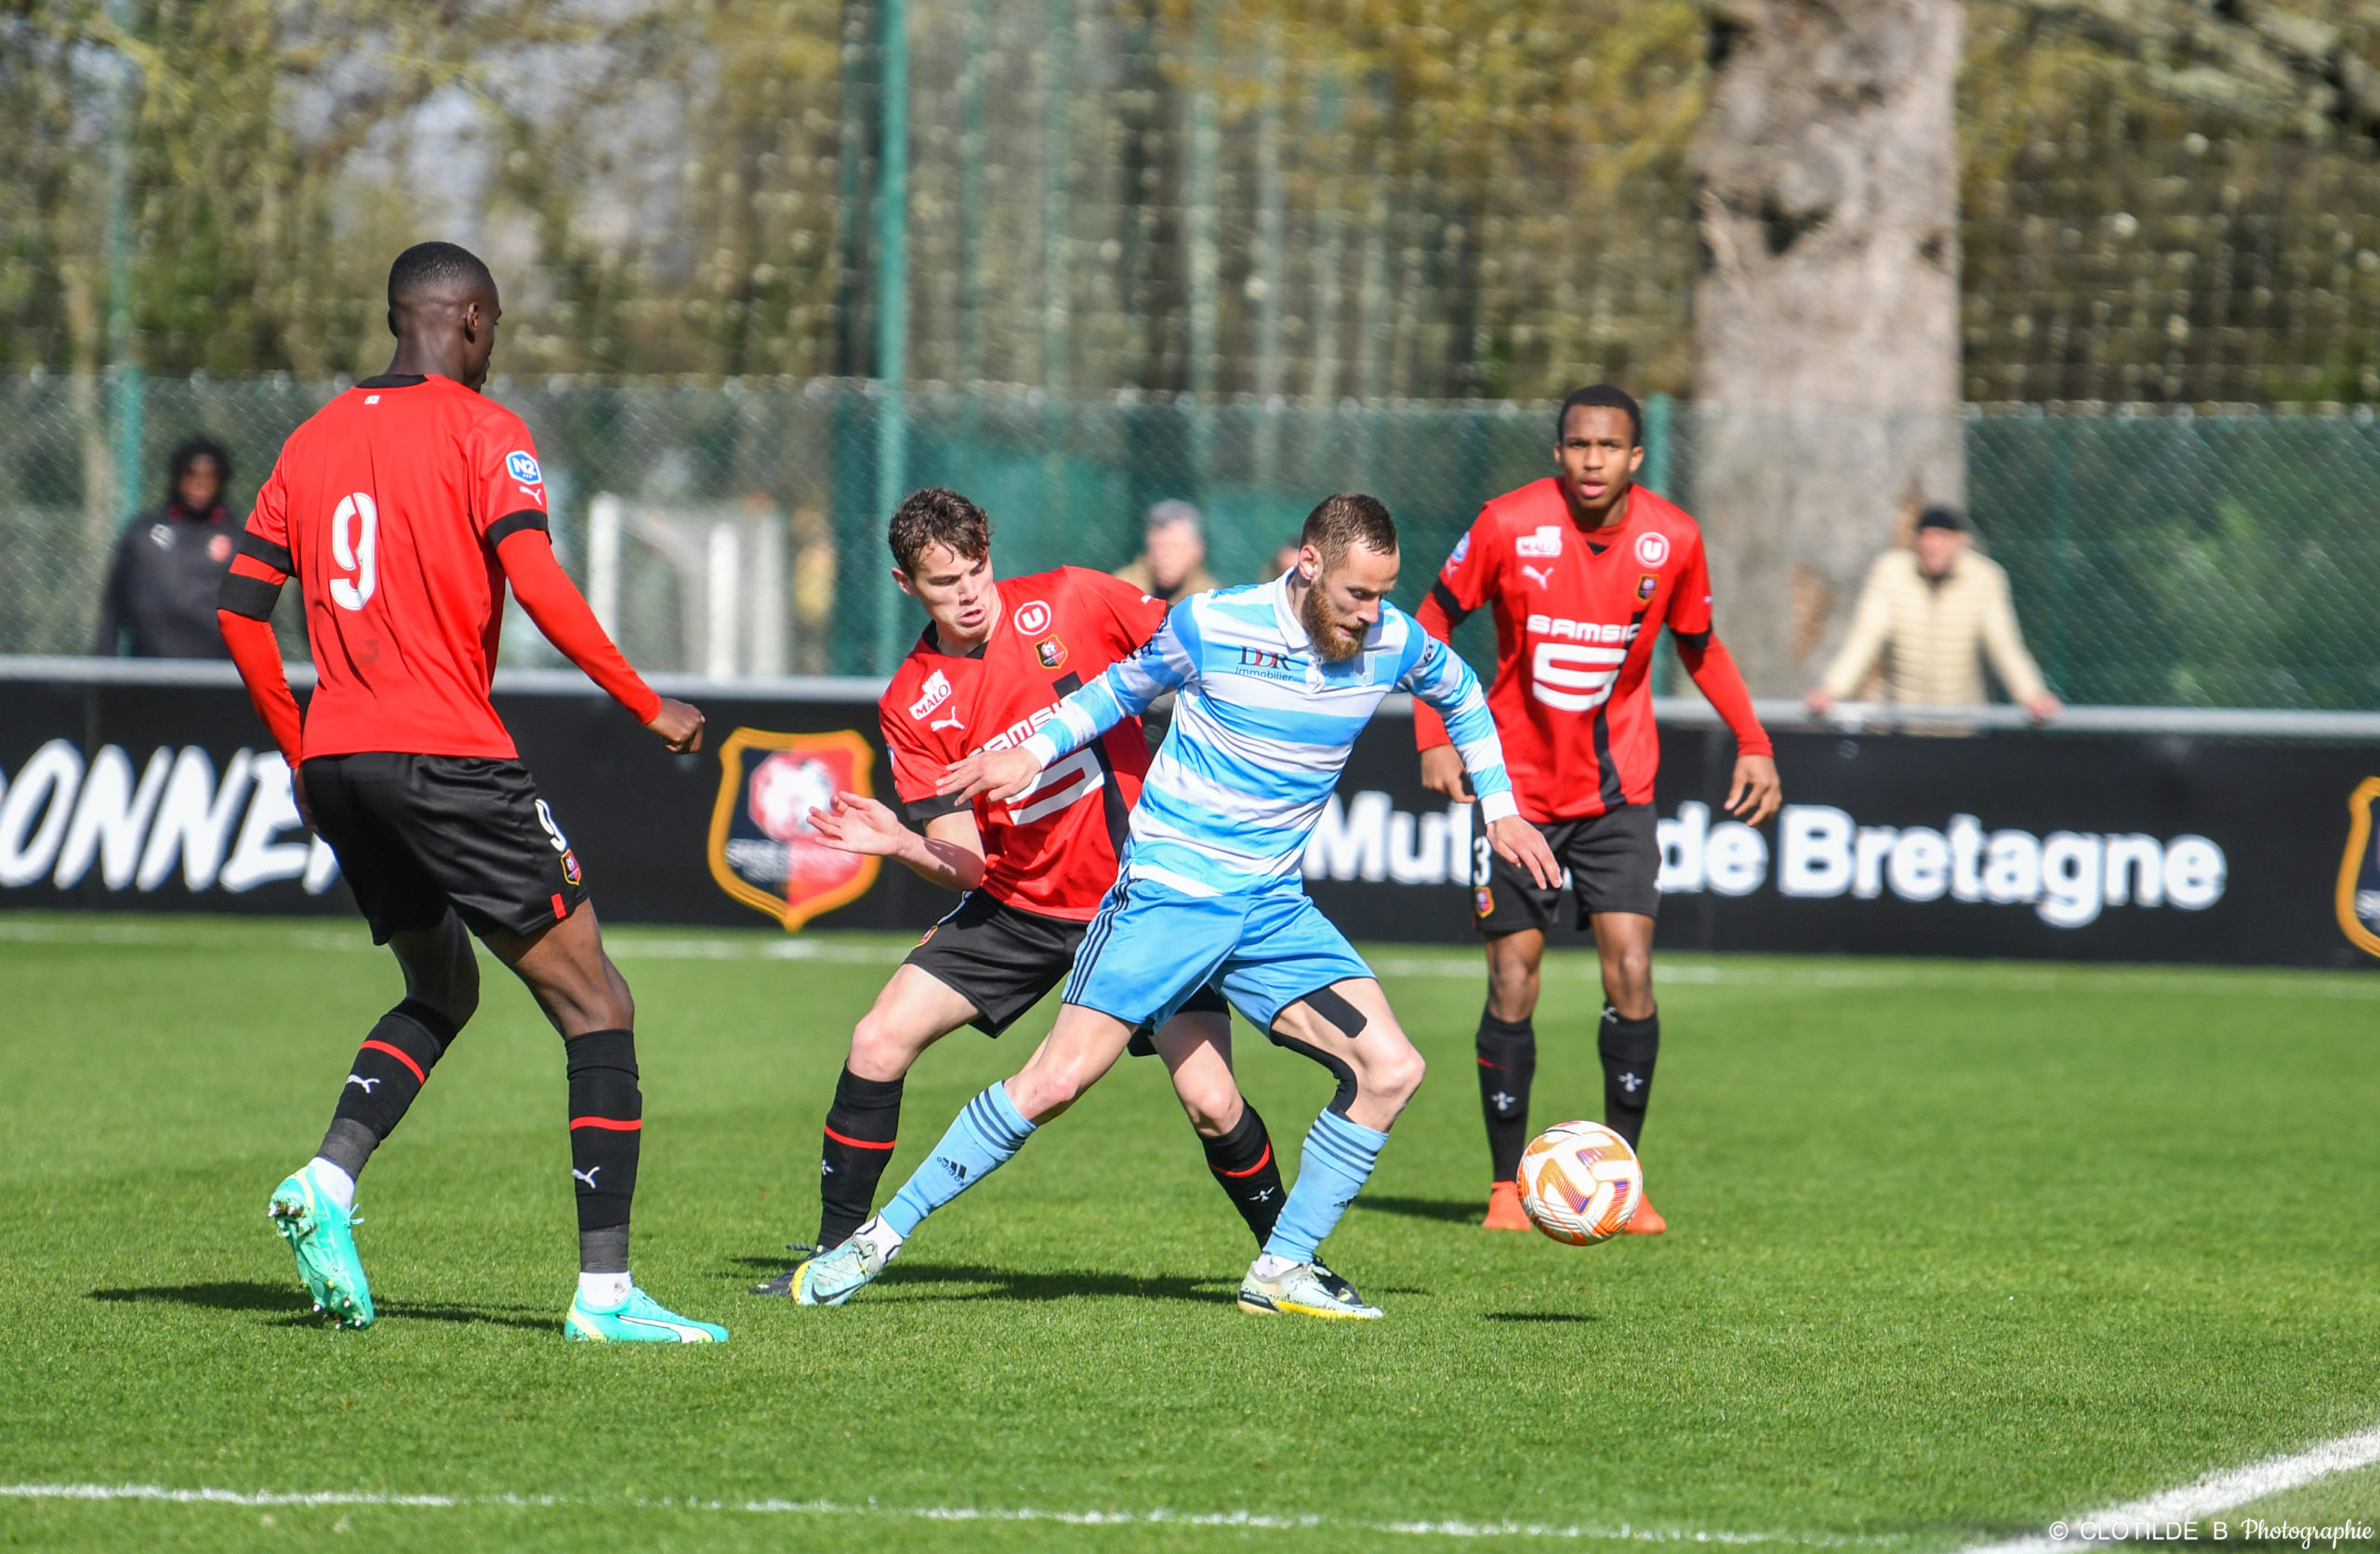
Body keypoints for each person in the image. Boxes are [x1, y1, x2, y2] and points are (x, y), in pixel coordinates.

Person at [788, 493, 1558, 1320]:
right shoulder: (1211, 625)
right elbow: (1117, 690)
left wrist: (1502, 805)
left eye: (1383, 593)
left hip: (1272, 907)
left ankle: (1282, 1268)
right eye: (1357, 596)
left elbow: (1463, 688)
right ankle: (877, 1238)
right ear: (1308, 567)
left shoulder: (1394, 637)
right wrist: (1033, 749)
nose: (1374, 615)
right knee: (1054, 1082)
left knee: (1391, 1069)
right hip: (1168, 895)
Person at [217, 241, 725, 1343]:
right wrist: (646, 703)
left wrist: (300, 746)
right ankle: (606, 1298)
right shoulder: (483, 431)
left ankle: (329, 1181)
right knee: (599, 1007)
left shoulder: (309, 439)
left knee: (442, 987)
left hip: (344, 763)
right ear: (475, 323)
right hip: (448, 758)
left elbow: (240, 609)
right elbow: (535, 577)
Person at [758, 486, 1329, 1297]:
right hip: (1019, 906)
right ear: (904, 584)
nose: (967, 591)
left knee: (1210, 1099)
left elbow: (1197, 649)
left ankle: (1290, 1261)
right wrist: (897, 841)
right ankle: (831, 1256)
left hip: (1143, 898)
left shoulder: (1073, 596)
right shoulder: (910, 703)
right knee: (877, 1039)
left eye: (976, 567)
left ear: (991, 549)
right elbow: (965, 864)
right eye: (942, 580)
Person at [1416, 384, 1781, 1236]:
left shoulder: (1674, 536)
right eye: (1578, 444)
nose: (1591, 460)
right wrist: (1433, 732)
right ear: (1557, 451)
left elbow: (1700, 645)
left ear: (1635, 458)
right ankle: (1508, 1187)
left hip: (1619, 794)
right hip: (1516, 798)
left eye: (1608, 447)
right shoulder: (1506, 523)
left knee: (1632, 970)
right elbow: (1432, 619)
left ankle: (1624, 1179)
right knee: (1514, 977)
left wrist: (1755, 740)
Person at [1805, 506, 2062, 722]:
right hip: (1903, 724)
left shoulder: (1985, 578)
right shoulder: (1891, 572)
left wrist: (2032, 695)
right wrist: (1832, 690)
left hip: (1962, 724)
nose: (1931, 545)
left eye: (1941, 536)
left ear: (1961, 542)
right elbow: (1865, 636)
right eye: (1925, 536)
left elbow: (2004, 644)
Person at [94, 435, 242, 658]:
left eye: (210, 476)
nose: (199, 484)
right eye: (190, 473)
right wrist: (103, 662)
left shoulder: (241, 539)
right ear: (176, 476)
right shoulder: (142, 534)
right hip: (151, 669)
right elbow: (114, 605)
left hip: (218, 673)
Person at [1112, 498, 1217, 605]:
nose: (1163, 555)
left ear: (1197, 549)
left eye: (1174, 547)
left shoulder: (1210, 601)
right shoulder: (1121, 588)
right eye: (1156, 546)